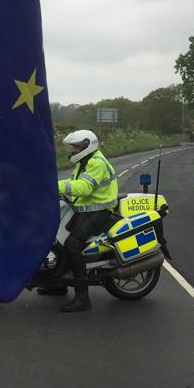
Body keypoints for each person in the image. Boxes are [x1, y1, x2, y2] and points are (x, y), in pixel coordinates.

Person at [55, 129, 120, 312]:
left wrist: (55, 185)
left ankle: (83, 297)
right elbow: (72, 184)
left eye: (75, 147)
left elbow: (84, 187)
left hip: (99, 210)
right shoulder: (85, 162)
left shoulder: (97, 163)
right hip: (86, 208)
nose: (73, 150)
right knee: (57, 238)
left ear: (85, 146)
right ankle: (57, 283)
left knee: (73, 244)